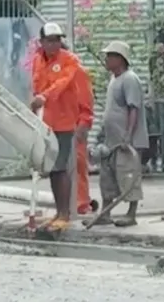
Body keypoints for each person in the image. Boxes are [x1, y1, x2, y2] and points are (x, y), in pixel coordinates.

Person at [30, 22, 84, 230]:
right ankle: (58, 211)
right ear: (42, 42)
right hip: (44, 122)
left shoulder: (70, 60)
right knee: (52, 168)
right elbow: (36, 86)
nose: (54, 45)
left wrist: (44, 96)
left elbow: (62, 83)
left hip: (63, 121)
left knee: (60, 166)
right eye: (50, 41)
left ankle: (65, 213)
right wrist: (36, 102)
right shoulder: (37, 60)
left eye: (57, 40)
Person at [95, 40, 149, 227]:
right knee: (107, 177)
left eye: (110, 56)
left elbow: (133, 108)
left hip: (127, 140)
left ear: (120, 59)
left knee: (129, 176)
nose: (106, 59)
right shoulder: (114, 79)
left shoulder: (129, 79)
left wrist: (128, 135)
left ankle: (131, 214)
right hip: (112, 140)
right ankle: (106, 212)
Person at [73, 54, 96, 217]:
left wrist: (83, 125)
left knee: (78, 165)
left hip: (75, 127)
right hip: (59, 126)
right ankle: (70, 202)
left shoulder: (77, 72)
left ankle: (82, 203)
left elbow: (86, 103)